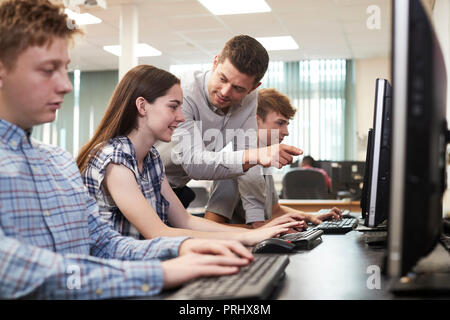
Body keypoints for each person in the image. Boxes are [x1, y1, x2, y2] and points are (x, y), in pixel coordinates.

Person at [0, 0, 256, 299]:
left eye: (65, 69)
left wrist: (186, 247)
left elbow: (106, 244)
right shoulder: (111, 157)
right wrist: (165, 271)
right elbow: (22, 273)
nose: (66, 85)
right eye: (48, 70)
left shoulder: (58, 163)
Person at [77, 65, 299, 246]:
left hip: (142, 263)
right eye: (173, 107)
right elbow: (157, 232)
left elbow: (184, 220)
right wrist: (247, 235)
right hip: (117, 273)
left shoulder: (152, 158)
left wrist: (258, 231)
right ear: (142, 106)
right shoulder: (116, 159)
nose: (182, 117)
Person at [155, 35, 303, 215]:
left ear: (254, 87)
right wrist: (257, 155)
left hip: (175, 191)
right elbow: (195, 165)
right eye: (223, 79)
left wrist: (256, 220)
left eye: (239, 88)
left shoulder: (249, 99)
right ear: (215, 62)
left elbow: (247, 156)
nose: (225, 93)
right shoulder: (184, 92)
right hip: (142, 184)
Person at [204, 88, 342, 228]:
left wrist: (311, 217)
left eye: (287, 125)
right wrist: (263, 228)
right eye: (280, 123)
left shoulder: (263, 163)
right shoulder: (234, 165)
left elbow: (275, 210)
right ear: (255, 122)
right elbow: (211, 227)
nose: (286, 132)